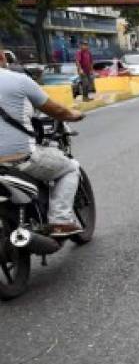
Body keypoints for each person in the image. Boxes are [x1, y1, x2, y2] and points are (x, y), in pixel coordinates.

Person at [0, 41, 85, 236]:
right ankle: (61, 220)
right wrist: (73, 115)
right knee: (70, 167)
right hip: (20, 159)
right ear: (3, 57)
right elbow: (55, 110)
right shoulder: (19, 80)